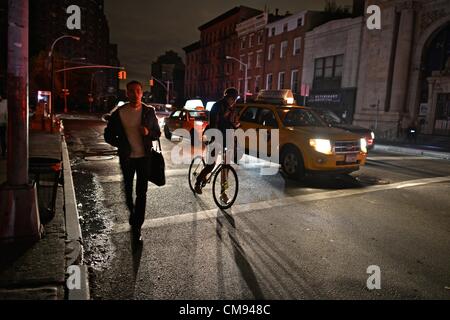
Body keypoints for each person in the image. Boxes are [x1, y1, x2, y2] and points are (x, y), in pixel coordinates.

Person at [104, 81, 161, 242]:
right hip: (127, 159)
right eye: (131, 91)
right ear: (126, 93)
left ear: (142, 93)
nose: (134, 94)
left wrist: (148, 131)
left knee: (141, 192)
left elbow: (157, 133)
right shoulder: (119, 113)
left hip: (144, 158)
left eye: (137, 91)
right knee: (128, 190)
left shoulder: (149, 112)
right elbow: (108, 135)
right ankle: (132, 212)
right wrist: (121, 145)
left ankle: (137, 225)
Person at [194, 88, 240, 201]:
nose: (234, 101)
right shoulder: (217, 106)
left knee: (226, 168)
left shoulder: (233, 108)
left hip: (226, 137)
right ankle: (198, 182)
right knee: (211, 165)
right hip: (214, 136)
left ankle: (223, 193)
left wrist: (235, 128)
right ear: (227, 97)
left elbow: (232, 124)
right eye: (232, 99)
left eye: (235, 99)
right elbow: (213, 124)